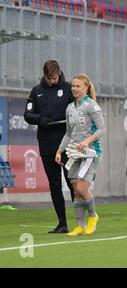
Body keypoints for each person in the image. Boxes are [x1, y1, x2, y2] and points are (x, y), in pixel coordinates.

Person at [24, 60, 75, 234]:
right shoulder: (36, 91)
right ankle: (62, 223)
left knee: (72, 182)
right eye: (49, 78)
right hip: (47, 144)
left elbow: (79, 110)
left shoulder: (69, 89)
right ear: (44, 75)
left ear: (59, 73)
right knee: (54, 184)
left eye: (55, 77)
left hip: (68, 145)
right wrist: (40, 119)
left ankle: (80, 221)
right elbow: (28, 114)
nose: (53, 81)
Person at [55, 73, 106, 236]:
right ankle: (79, 226)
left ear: (86, 88)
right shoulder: (70, 108)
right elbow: (68, 134)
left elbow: (102, 129)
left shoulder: (92, 106)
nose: (74, 89)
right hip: (75, 154)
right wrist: (60, 150)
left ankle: (93, 216)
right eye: (73, 86)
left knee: (83, 188)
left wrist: (87, 141)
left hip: (91, 153)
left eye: (78, 86)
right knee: (76, 190)